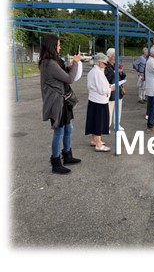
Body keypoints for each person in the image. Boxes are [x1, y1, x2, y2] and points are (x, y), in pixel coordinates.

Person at [39, 34, 83, 174]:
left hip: (63, 100)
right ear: (52, 46)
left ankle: (67, 155)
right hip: (57, 103)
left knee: (69, 129)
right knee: (59, 131)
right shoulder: (49, 64)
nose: (60, 47)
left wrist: (70, 65)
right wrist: (75, 62)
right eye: (58, 45)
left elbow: (63, 75)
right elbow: (69, 79)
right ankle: (56, 162)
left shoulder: (55, 61)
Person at [85, 53, 114, 152]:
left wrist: (108, 87)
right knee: (99, 121)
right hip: (99, 100)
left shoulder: (94, 72)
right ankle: (98, 143)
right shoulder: (97, 73)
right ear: (99, 63)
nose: (106, 66)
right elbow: (102, 89)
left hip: (95, 99)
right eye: (104, 64)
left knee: (94, 120)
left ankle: (94, 140)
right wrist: (110, 89)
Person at [103, 48, 125, 133]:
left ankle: (117, 124)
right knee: (109, 110)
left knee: (118, 108)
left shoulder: (116, 65)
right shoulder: (106, 66)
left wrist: (121, 73)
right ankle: (106, 126)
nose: (116, 57)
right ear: (109, 56)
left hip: (118, 90)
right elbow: (107, 78)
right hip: (111, 91)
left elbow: (122, 76)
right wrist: (115, 72)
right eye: (114, 56)